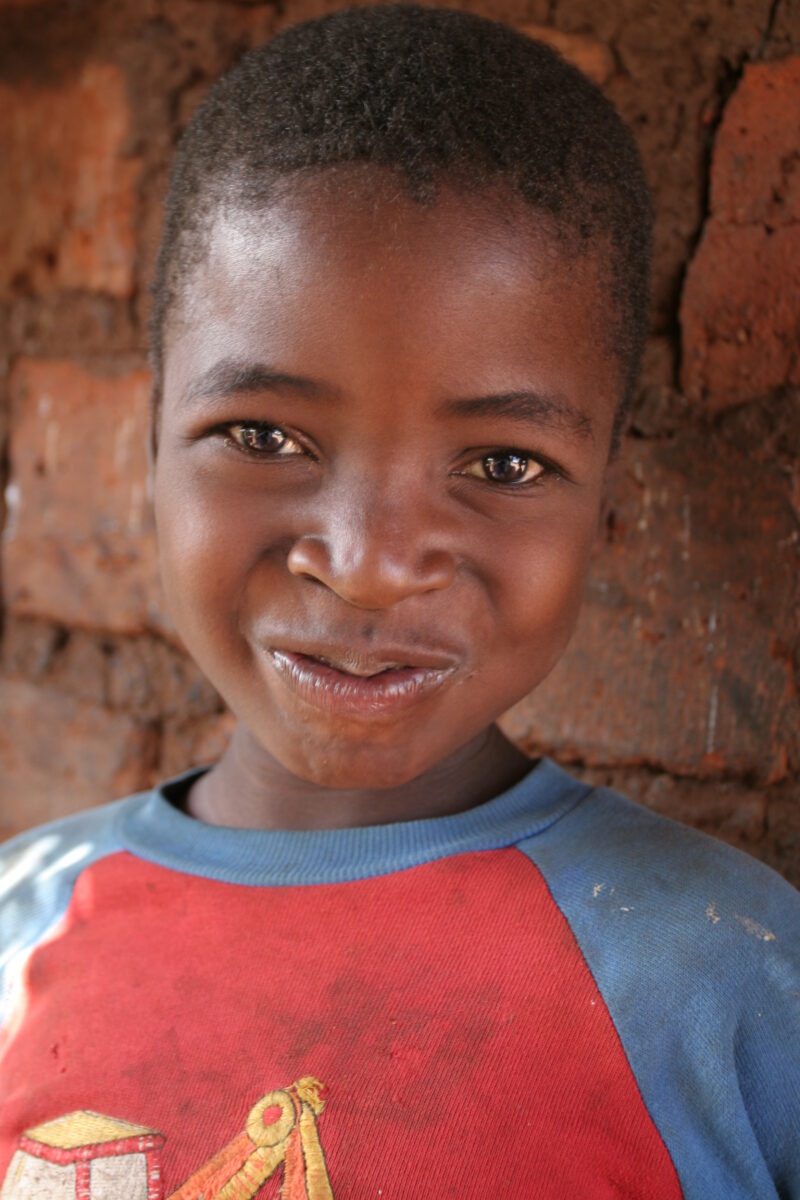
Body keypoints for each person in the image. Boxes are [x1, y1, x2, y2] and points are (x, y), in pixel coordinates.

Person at [0, 7, 797, 1198]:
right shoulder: (20, 934)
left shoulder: (730, 987)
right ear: (143, 451)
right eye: (262, 435)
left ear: (610, 505)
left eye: (501, 465)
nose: (367, 564)